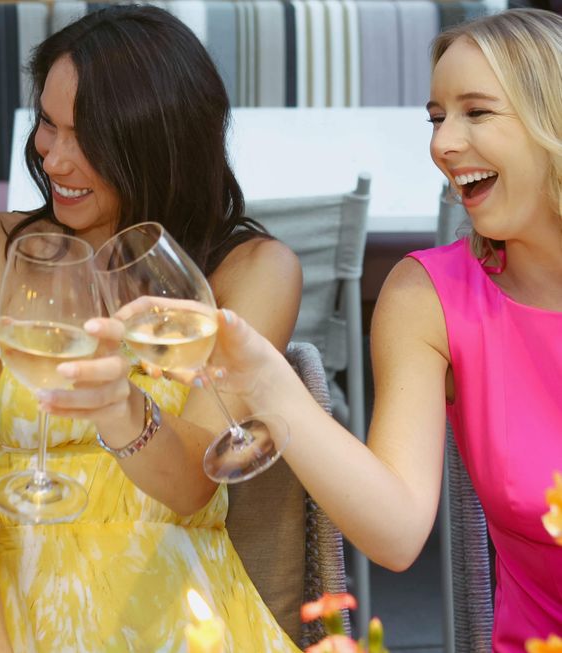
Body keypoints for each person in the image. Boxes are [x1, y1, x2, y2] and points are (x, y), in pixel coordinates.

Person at [0, 6, 304, 652]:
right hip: (29, 616)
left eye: (87, 138)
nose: (53, 157)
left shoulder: (250, 272)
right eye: (48, 124)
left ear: (157, 145)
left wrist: (122, 405)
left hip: (191, 615)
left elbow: (192, 483)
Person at [200, 9, 562, 651]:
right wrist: (264, 379)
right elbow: (394, 532)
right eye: (436, 117)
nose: (442, 144)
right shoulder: (428, 296)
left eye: (476, 113)